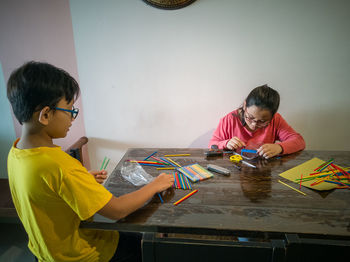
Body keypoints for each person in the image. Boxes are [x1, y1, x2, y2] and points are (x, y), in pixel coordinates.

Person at [7, 61, 174, 262]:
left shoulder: (17, 152)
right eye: (70, 111)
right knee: (149, 246)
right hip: (84, 254)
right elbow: (117, 210)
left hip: (45, 253)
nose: (72, 119)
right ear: (45, 115)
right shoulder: (61, 165)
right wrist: (155, 185)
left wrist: (79, 181)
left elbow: (42, 192)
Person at [209, 84, 305, 159]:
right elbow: (211, 145)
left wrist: (279, 148)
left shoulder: (276, 120)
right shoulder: (229, 120)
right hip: (234, 173)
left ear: (272, 116)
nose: (254, 125)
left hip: (264, 172)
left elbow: (299, 141)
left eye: (262, 121)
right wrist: (226, 143)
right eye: (250, 117)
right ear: (245, 106)